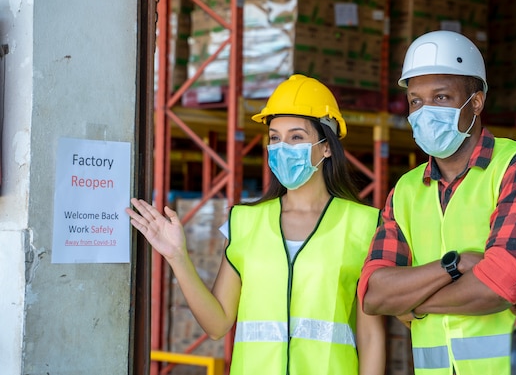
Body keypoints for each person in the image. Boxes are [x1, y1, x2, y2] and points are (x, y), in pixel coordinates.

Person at [127, 74, 386, 375]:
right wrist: (178, 257)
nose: (282, 147)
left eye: (296, 137)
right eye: (274, 137)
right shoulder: (245, 222)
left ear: (326, 146)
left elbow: (371, 336)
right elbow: (218, 323)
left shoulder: (363, 225)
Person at [357, 30, 516, 374]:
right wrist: (454, 265)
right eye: (416, 100)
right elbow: (374, 295)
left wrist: (413, 303)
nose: (425, 112)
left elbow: (502, 286)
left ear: (475, 102)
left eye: (441, 97)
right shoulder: (406, 190)